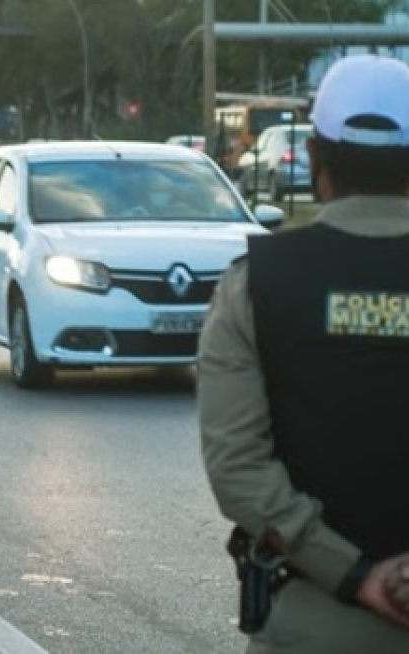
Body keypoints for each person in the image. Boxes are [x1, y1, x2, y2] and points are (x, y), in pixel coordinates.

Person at [198, 53, 409, 653]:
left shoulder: (256, 285)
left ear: (316, 157)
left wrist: (359, 576)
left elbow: (238, 469)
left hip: (308, 628)